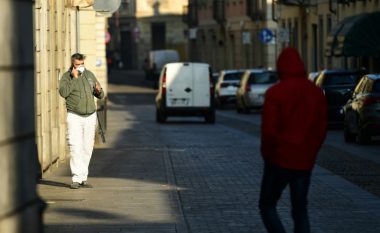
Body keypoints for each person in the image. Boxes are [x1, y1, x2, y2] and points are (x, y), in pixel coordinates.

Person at [259, 47, 328, 233]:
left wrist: (268, 155)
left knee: (267, 204)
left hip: (278, 160)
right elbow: (321, 128)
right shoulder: (315, 93)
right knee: (300, 209)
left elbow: (269, 131)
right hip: (304, 161)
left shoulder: (276, 93)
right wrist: (311, 152)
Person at [59, 53, 104, 189]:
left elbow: (100, 95)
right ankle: (76, 178)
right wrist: (74, 78)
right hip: (74, 115)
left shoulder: (89, 75)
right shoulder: (67, 77)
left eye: (82, 64)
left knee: (87, 147)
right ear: (73, 64)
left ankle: (83, 176)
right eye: (78, 64)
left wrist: (99, 90)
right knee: (75, 146)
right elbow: (63, 92)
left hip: (90, 115)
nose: (80, 67)